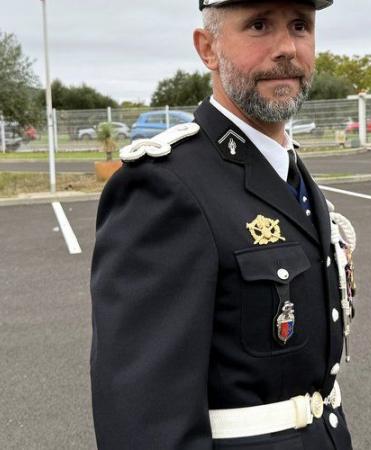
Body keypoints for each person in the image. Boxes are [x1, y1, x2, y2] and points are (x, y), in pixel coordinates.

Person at [89, 1, 356, 448]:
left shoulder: (287, 170)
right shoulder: (166, 186)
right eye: (258, 25)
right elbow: (145, 423)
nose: (287, 48)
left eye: (300, 26)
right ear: (207, 48)